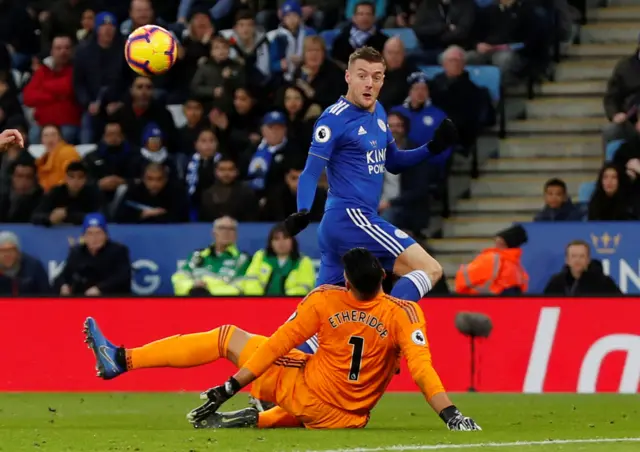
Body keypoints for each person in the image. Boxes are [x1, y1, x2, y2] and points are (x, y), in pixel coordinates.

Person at [83, 248, 480, 431]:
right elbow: (421, 368)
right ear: (383, 278)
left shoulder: (325, 300)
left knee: (229, 337)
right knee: (310, 376)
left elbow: (278, 344)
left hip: (313, 395)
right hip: (351, 417)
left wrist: (230, 385)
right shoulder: (404, 313)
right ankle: (259, 417)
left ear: (346, 281)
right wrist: (451, 416)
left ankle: (122, 359)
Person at [284, 46, 457, 305]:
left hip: (343, 227)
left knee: (318, 315)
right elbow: (310, 172)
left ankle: (274, 346)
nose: (369, 83)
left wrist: (432, 148)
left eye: (376, 77)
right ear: (348, 77)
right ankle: (388, 327)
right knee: (429, 269)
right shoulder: (333, 120)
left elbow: (394, 162)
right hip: (352, 219)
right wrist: (303, 210)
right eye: (362, 75)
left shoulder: (378, 111)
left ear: (383, 80)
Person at [237, 224, 315, 296]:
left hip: (291, 306)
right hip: (260, 304)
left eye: (286, 237)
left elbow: (303, 288)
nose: (281, 242)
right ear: (270, 242)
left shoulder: (303, 261)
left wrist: (282, 301)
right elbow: (251, 282)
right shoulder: (260, 257)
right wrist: (259, 301)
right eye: (276, 239)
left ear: (293, 240)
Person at [455, 224, 529, 295]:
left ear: (503, 242)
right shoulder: (516, 266)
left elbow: (466, 275)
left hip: (489, 300)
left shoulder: (494, 257)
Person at [543, 240, 621, 296]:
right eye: (574, 256)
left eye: (582, 256)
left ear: (588, 260)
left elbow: (621, 303)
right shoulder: (557, 282)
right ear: (567, 260)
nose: (577, 260)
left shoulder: (604, 282)